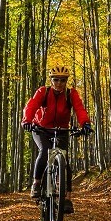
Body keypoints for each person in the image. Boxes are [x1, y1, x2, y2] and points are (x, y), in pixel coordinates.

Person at [21, 66, 93, 213]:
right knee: (46, 150)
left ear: (66, 81)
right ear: (51, 80)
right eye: (56, 79)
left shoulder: (70, 94)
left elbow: (79, 109)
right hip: (40, 128)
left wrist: (85, 124)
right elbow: (32, 105)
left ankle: (66, 198)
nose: (59, 83)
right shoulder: (43, 92)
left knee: (64, 160)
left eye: (63, 80)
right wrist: (27, 121)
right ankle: (36, 183)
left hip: (61, 130)